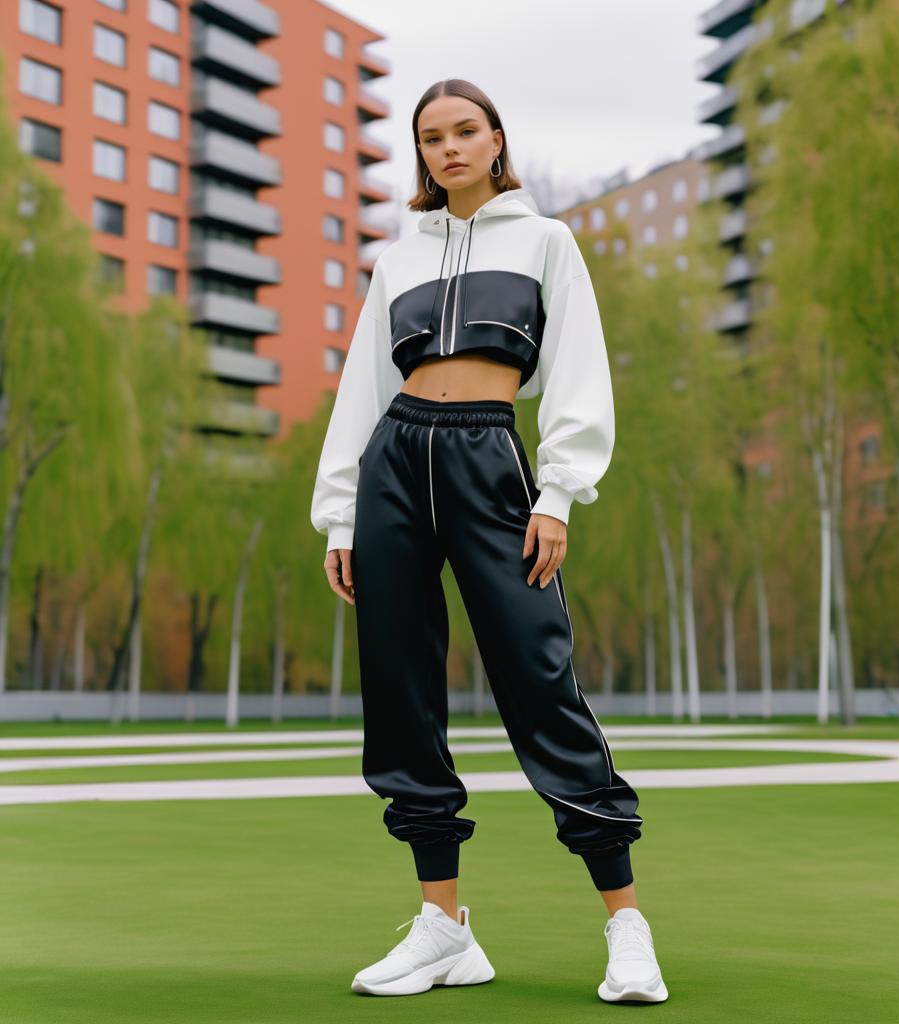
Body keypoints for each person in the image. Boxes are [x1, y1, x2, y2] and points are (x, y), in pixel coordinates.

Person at [310, 78, 668, 1004]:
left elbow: (579, 374)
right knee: (399, 689)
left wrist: (557, 495)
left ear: (498, 139)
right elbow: (359, 390)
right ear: (420, 153)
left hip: (488, 461)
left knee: (540, 679)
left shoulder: (546, 242)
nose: (450, 149)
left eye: (466, 131)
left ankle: (626, 925)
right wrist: (341, 513)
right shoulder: (396, 259)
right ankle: (444, 930)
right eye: (432, 137)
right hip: (395, 460)